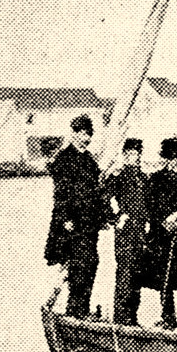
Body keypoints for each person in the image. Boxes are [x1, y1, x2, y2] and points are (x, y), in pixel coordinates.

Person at [44, 114, 106, 319]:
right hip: (72, 226)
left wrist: (104, 217)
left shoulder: (90, 161)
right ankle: (75, 311)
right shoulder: (63, 159)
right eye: (81, 133)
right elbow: (60, 194)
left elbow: (97, 193)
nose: (85, 138)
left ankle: (82, 309)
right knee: (78, 266)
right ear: (73, 134)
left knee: (91, 263)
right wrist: (66, 220)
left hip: (90, 225)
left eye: (88, 134)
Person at [142, 137, 177, 328]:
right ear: (165, 158)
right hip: (162, 237)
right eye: (170, 157)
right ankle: (169, 320)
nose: (174, 161)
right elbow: (149, 207)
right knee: (164, 281)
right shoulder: (156, 179)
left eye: (176, 156)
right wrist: (163, 220)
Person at [103, 137, 148, 325]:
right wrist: (115, 218)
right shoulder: (118, 177)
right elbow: (103, 199)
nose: (133, 158)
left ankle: (132, 318)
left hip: (141, 233)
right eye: (129, 154)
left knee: (137, 276)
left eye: (136, 154)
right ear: (124, 156)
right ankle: (121, 319)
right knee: (125, 275)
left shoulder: (145, 178)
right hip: (125, 232)